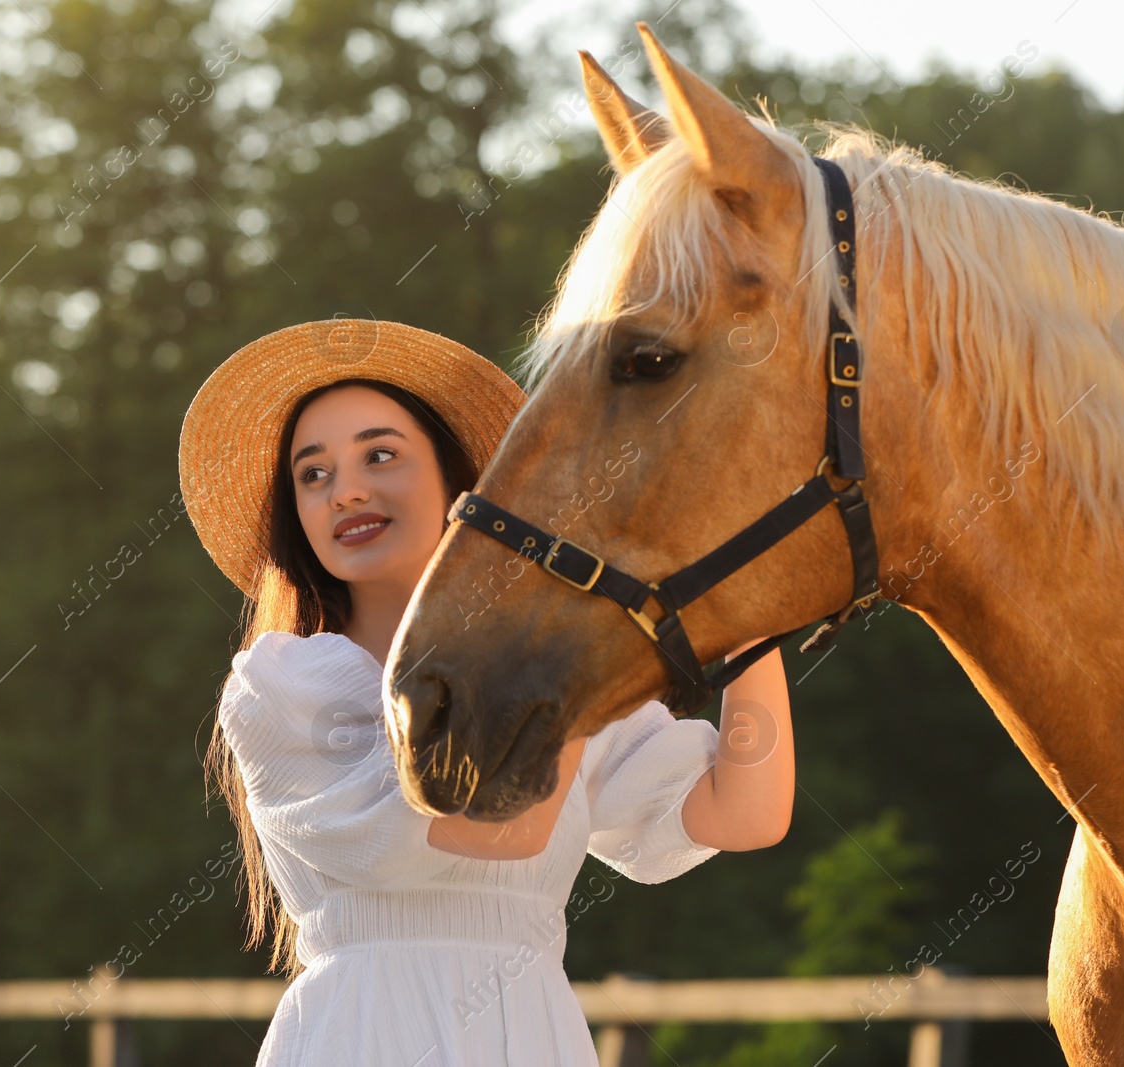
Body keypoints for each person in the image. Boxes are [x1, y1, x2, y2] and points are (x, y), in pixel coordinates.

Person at [177, 319, 794, 1066]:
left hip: (533, 1034)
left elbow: (746, 810)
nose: (348, 490)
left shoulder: (546, 677)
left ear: (460, 486)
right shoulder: (281, 689)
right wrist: (570, 636)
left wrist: (747, 608)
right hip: (367, 1037)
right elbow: (497, 827)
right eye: (314, 474)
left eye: (380, 455)